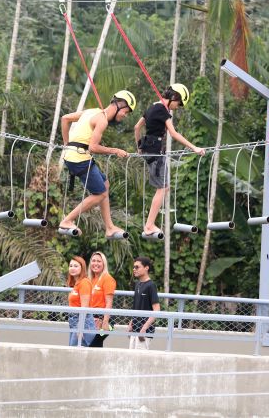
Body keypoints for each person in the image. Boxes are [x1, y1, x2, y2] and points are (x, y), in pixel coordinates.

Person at [58, 90, 136, 237]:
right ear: (119, 105)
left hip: (75, 155)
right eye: (126, 112)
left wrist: (66, 143)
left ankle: (109, 227)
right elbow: (93, 147)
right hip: (79, 159)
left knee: (105, 184)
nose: (124, 116)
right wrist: (115, 150)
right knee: (99, 194)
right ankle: (67, 220)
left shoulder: (92, 112)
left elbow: (65, 118)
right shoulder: (102, 120)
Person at [134, 84, 205, 236]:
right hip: (156, 152)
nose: (177, 107)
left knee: (164, 187)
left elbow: (137, 127)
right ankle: (149, 225)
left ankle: (150, 224)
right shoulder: (163, 110)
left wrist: (139, 146)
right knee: (163, 188)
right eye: (178, 104)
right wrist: (194, 147)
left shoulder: (153, 107)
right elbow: (173, 133)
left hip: (148, 150)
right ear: (174, 97)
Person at [128, 256, 160, 350]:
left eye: (137, 267)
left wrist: (144, 328)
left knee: (140, 361)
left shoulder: (151, 286)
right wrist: (131, 323)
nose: (134, 269)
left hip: (144, 332)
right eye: (134, 267)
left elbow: (157, 309)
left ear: (146, 268)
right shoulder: (137, 284)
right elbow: (136, 307)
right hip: (135, 329)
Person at [87, 251, 117, 348]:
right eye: (93, 261)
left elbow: (109, 303)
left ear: (104, 264)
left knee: (94, 344)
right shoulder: (90, 279)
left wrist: (104, 322)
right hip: (91, 319)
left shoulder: (108, 279)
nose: (95, 263)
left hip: (104, 320)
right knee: (92, 346)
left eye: (99, 261)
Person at [67, 256, 96, 346]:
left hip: (83, 322)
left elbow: (84, 308)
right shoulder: (77, 283)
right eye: (71, 266)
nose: (72, 268)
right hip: (74, 321)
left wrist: (80, 328)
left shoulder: (84, 283)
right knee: (72, 350)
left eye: (76, 266)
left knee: (74, 352)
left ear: (82, 268)